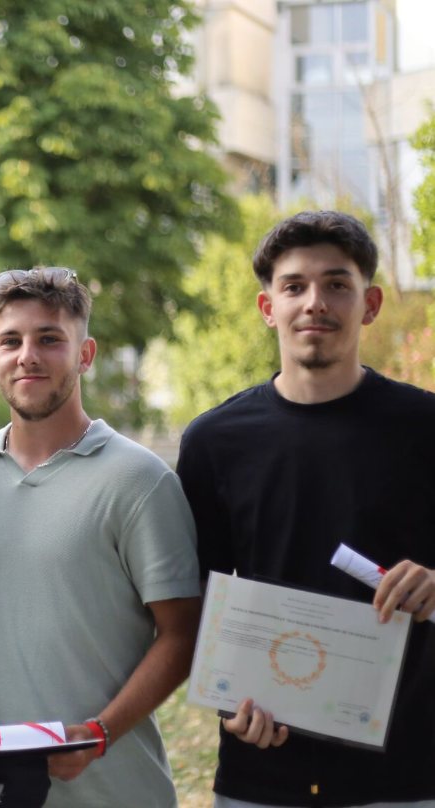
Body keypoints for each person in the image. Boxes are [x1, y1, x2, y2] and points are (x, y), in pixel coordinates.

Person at [176, 211, 435, 808]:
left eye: (336, 284)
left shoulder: (426, 428)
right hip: (263, 769)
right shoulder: (214, 442)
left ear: (369, 303)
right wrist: (226, 702)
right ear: (268, 307)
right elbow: (195, 602)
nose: (314, 301)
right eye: (294, 286)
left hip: (408, 772)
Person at [0, 268, 203, 808]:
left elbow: (183, 635)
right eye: (10, 341)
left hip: (117, 792)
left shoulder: (140, 479)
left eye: (49, 339)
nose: (27, 356)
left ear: (86, 354)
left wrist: (100, 733)